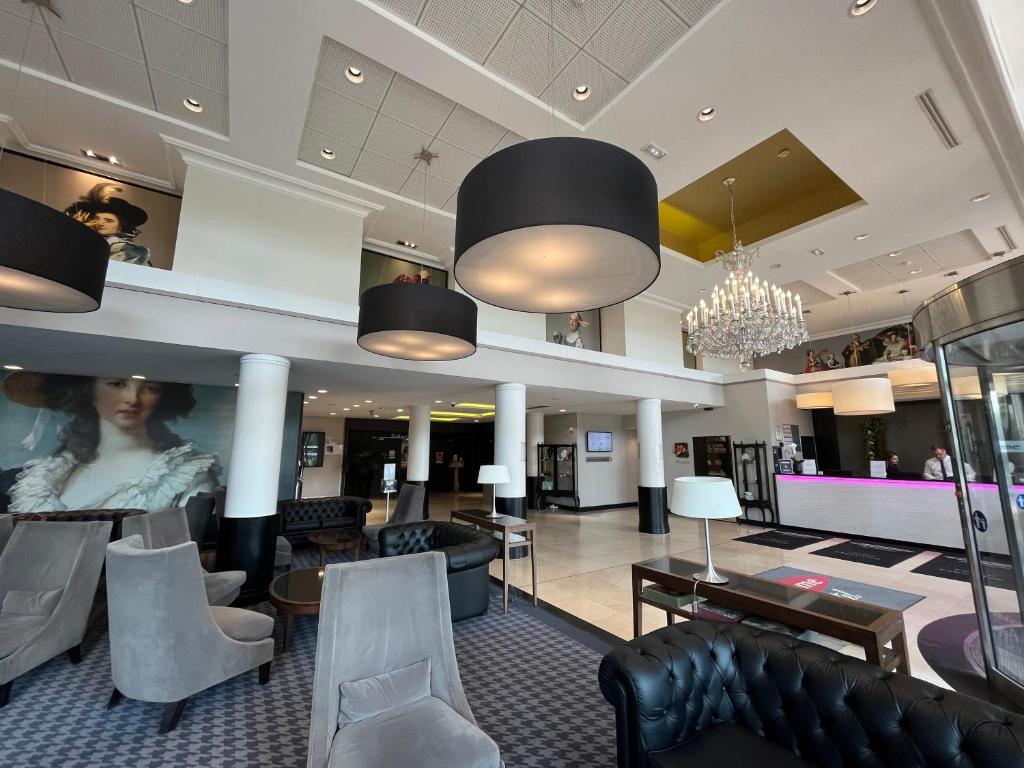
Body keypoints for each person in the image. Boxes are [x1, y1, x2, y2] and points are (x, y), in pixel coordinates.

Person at [3, 372, 218, 512]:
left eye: (150, 388)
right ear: (89, 392)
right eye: (117, 384)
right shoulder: (49, 473)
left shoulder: (186, 473)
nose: (133, 399)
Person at [64, 183, 151, 266]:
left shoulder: (128, 250)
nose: (100, 223)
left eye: (109, 221)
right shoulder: (93, 241)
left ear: (120, 226)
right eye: (97, 218)